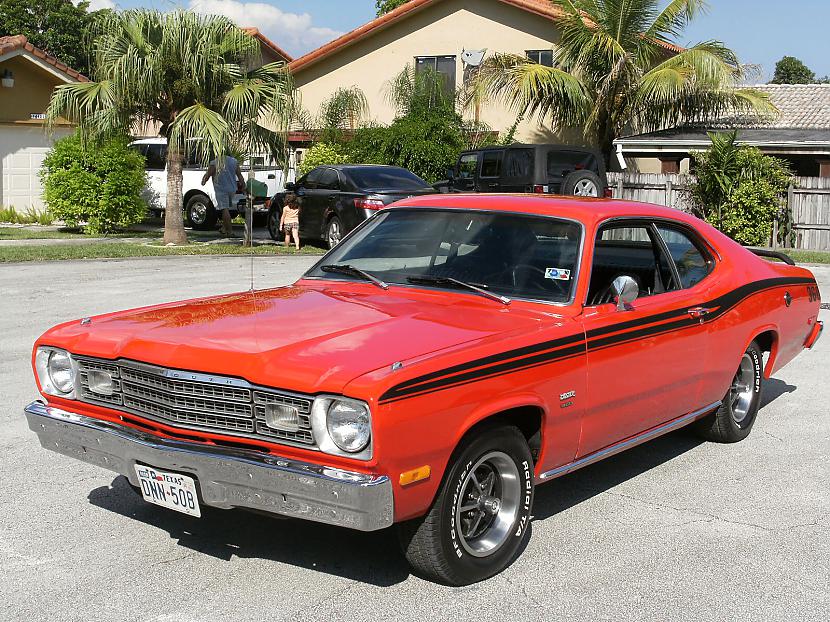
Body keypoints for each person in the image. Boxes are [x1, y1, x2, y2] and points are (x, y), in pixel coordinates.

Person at [201, 154, 246, 237]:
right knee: (227, 208)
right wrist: (243, 186)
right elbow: (239, 175)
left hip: (221, 189)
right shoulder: (234, 161)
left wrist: (204, 181)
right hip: (232, 189)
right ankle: (223, 228)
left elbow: (208, 174)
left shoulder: (215, 162)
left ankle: (229, 232)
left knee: (224, 209)